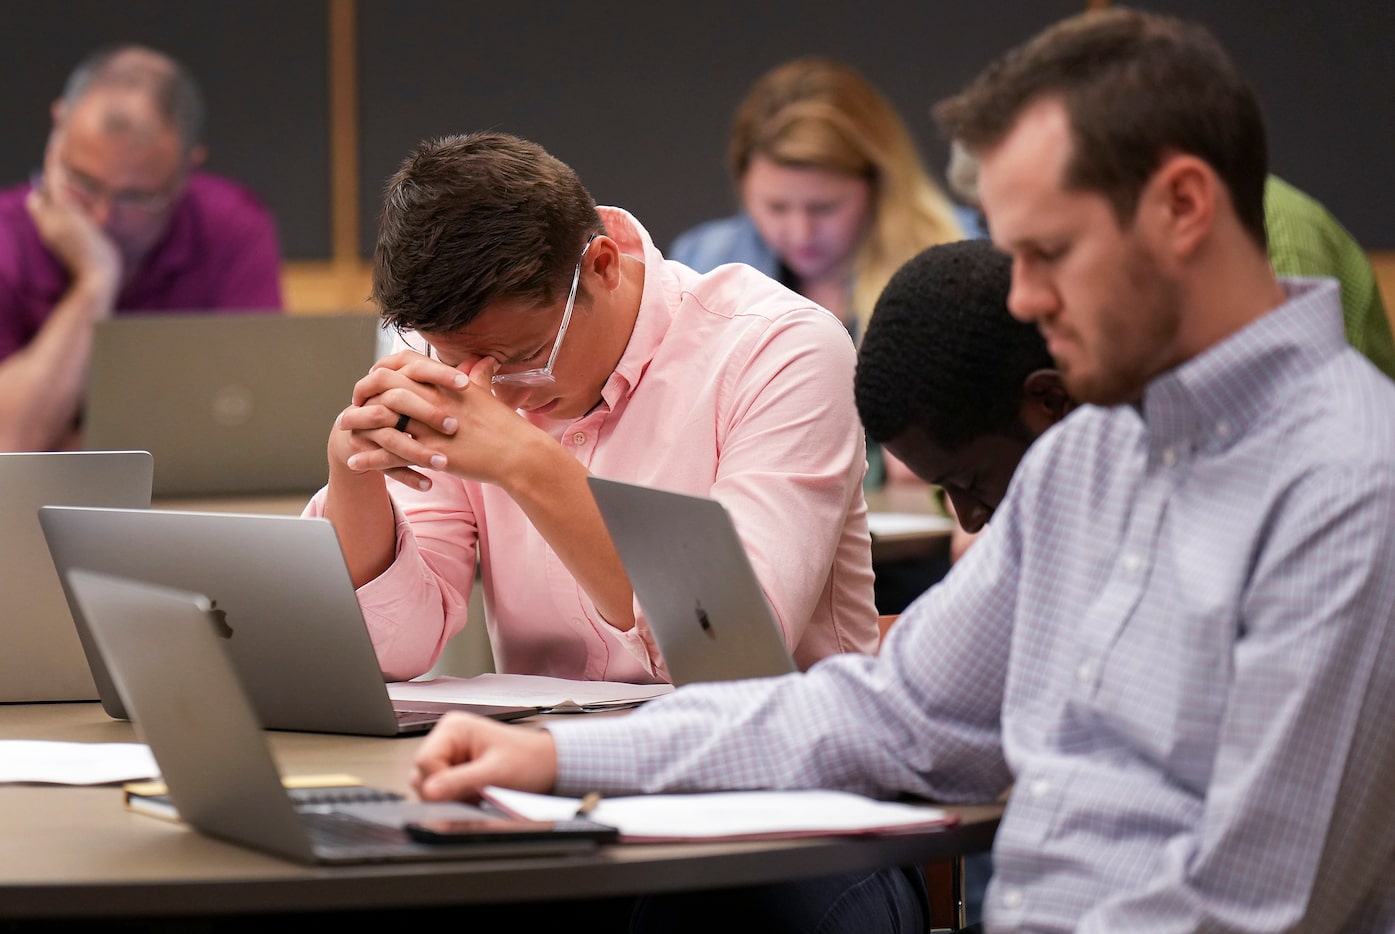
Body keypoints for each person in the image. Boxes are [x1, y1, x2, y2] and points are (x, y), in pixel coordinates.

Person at [406, 8, 1395, 933]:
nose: (1025, 300)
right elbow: (898, 712)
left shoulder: (1349, 482)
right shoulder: (1091, 455)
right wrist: (561, 754)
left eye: (1048, 252)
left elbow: (1257, 906)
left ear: (1183, 205)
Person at [306, 131, 879, 685]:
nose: (496, 394)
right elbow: (394, 652)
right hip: (541, 766)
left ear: (602, 266)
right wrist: (354, 481)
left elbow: (729, 647)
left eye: (527, 355)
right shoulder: (461, 372)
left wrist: (525, 462)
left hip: (766, 764)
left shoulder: (782, 348)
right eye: (456, 362)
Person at [0, 44, 283, 453]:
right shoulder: (6, 236)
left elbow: (253, 424)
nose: (100, 217)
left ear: (188, 169)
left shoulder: (234, 226)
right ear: (57, 130)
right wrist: (96, 281)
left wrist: (69, 441)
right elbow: (9, 446)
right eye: (83, 182)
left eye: (135, 198)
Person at [670, 56, 975, 346]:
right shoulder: (701, 264)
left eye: (824, 208)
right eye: (776, 207)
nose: (801, 232)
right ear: (743, 186)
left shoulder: (965, 257)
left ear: (880, 183)